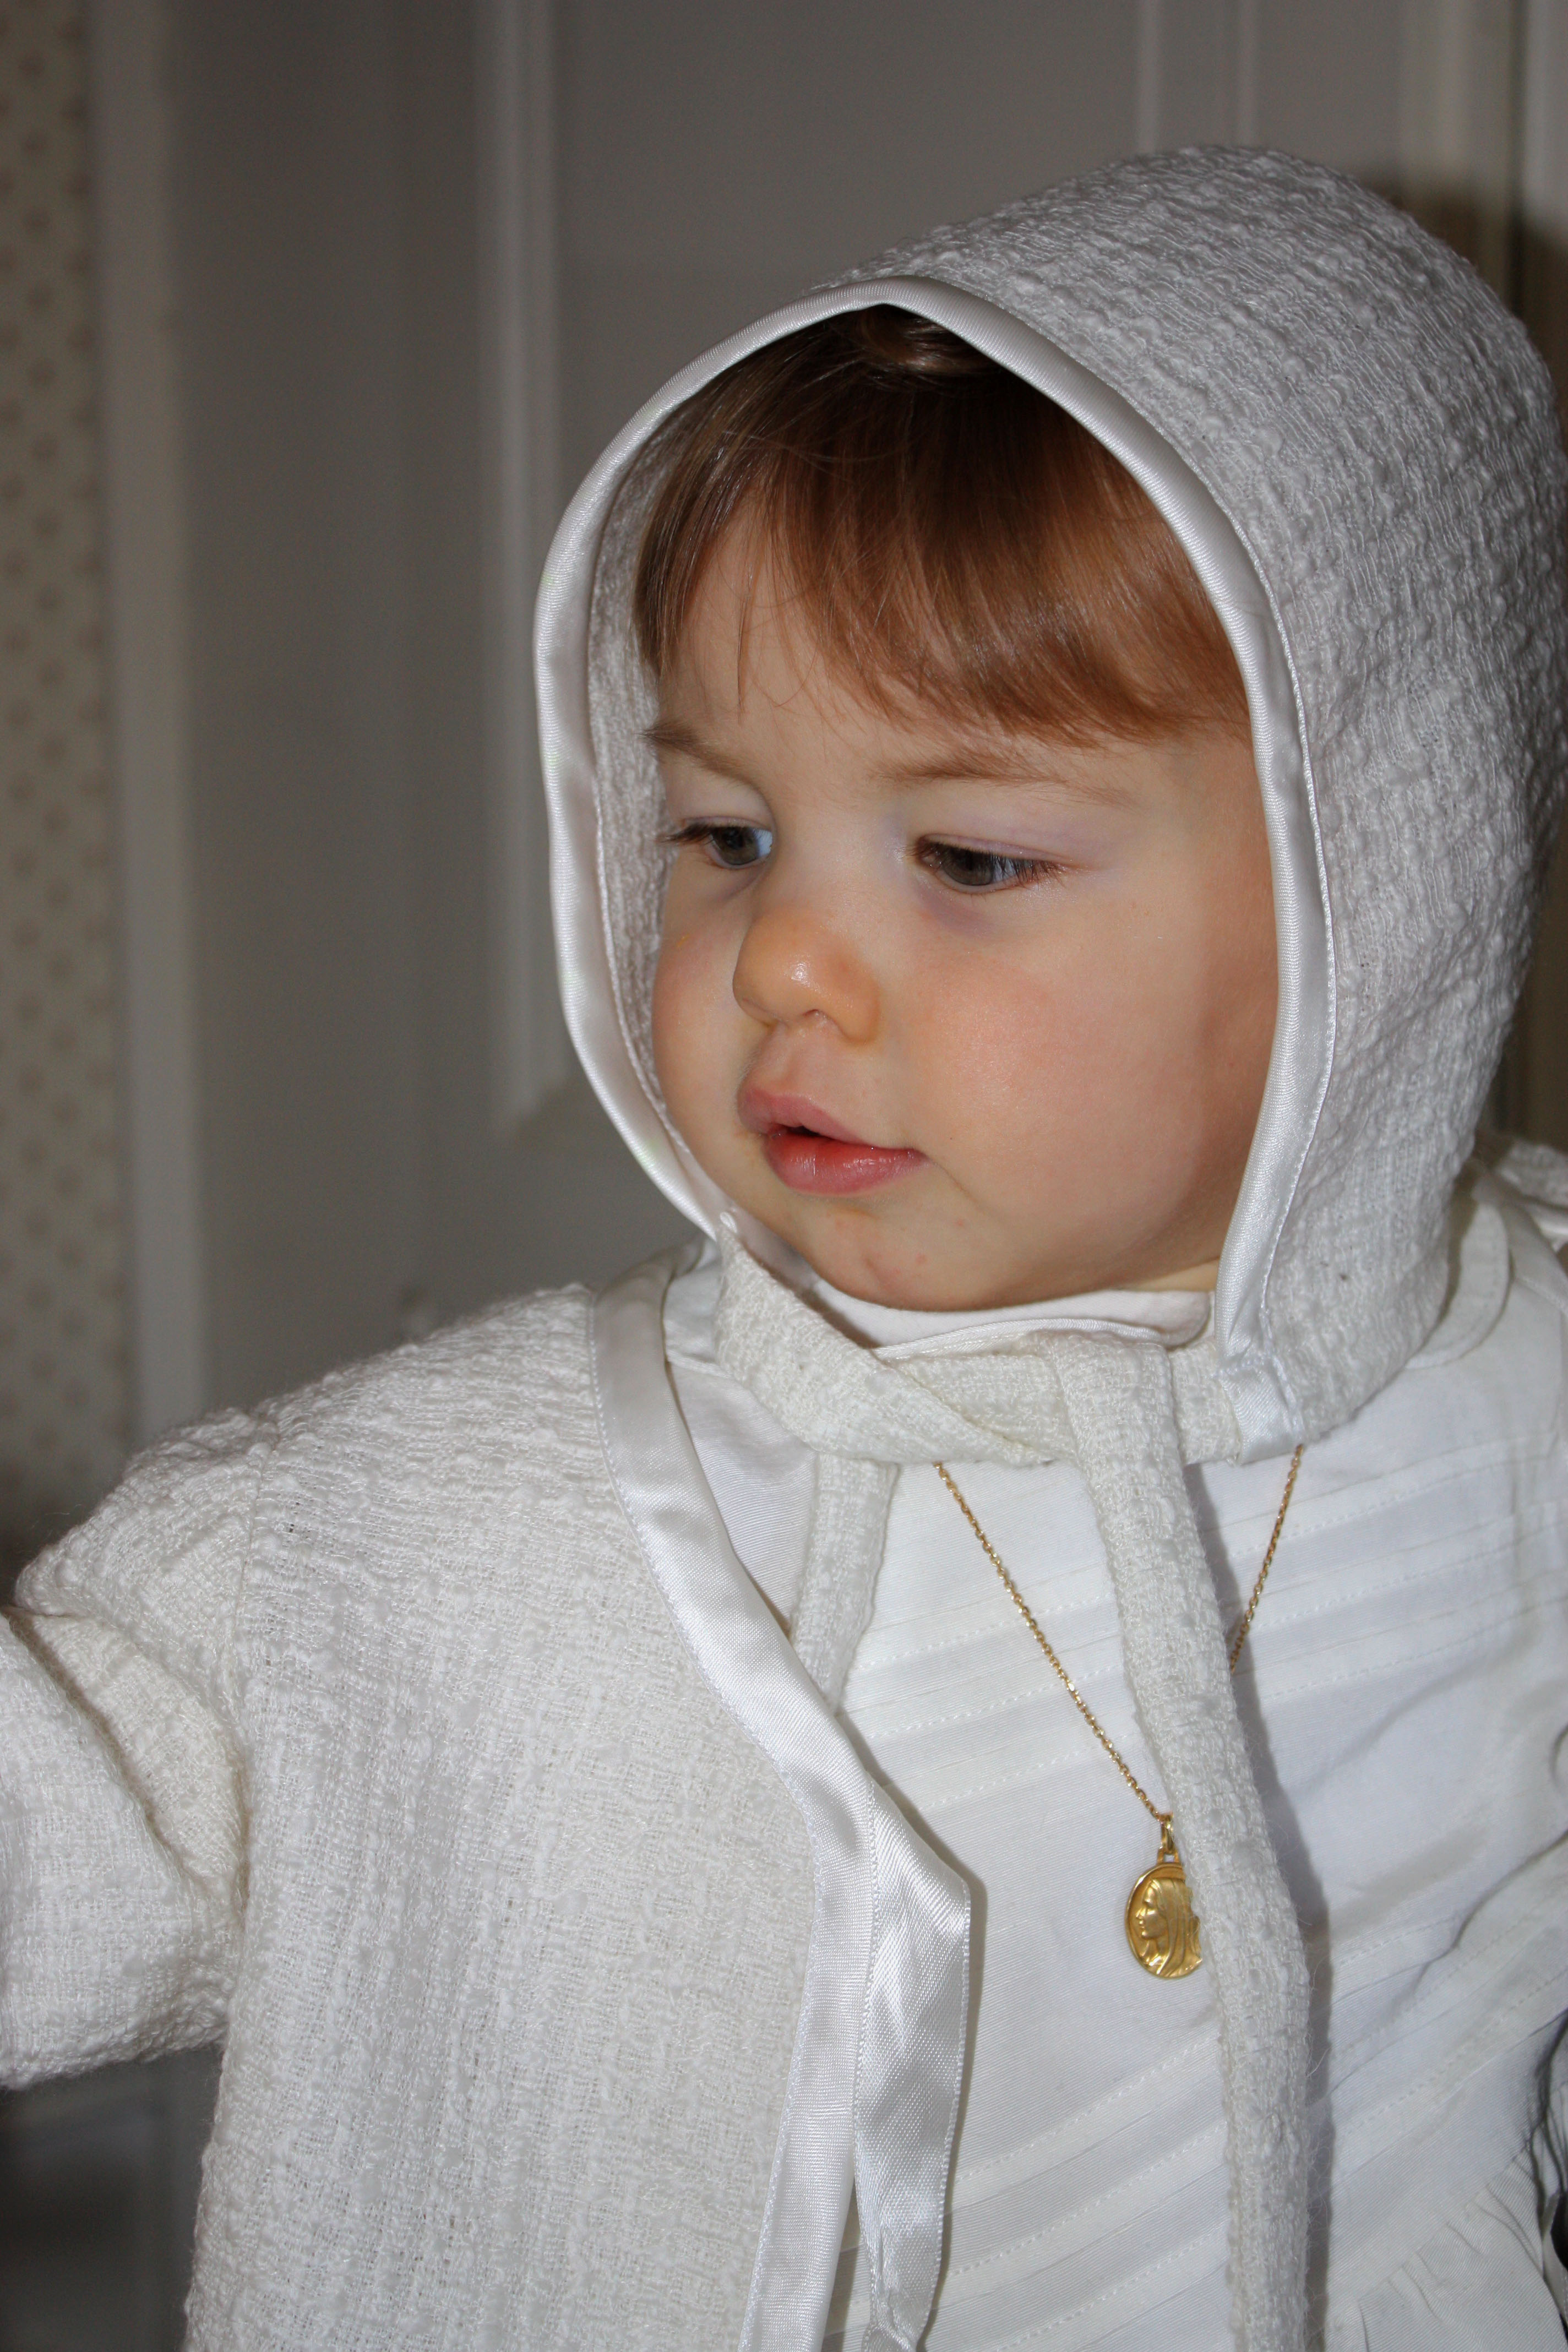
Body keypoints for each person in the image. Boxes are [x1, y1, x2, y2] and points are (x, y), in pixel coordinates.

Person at [3, 146, 1567, 2351]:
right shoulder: (439, 1528)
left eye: (972, 857)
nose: (783, 963)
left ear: (1385, 883)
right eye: (726, 833)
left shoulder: (1527, 1415)